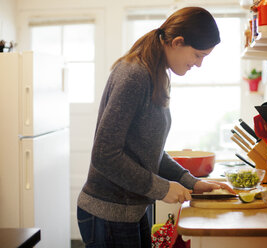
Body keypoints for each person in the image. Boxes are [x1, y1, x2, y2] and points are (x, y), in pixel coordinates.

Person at [77, 6, 235, 248]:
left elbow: (149, 152)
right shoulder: (135, 74)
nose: (199, 64)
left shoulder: (155, 74)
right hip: (109, 214)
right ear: (177, 42)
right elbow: (104, 155)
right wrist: (161, 188)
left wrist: (191, 182)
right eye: (198, 55)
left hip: (132, 209)